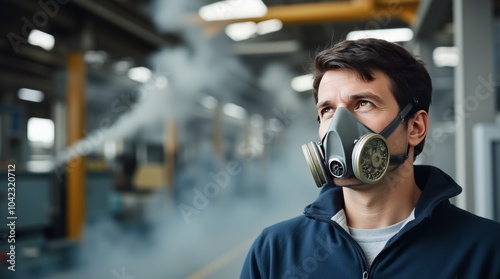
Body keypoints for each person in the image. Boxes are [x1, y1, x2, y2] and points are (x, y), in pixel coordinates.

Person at [240, 38, 500, 279]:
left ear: (415, 127)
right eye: (328, 109)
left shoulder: (485, 251)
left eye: (364, 103)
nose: (339, 126)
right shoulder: (274, 252)